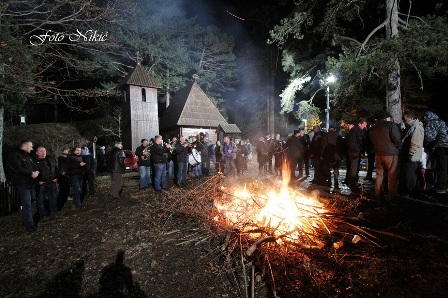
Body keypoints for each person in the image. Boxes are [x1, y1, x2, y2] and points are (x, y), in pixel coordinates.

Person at [8, 140, 39, 233]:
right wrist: (31, 173)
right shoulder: (14, 155)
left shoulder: (28, 156)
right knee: (27, 204)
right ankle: (29, 225)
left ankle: (26, 221)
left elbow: (34, 166)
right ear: (25, 146)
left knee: (29, 202)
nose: (32, 148)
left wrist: (36, 172)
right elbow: (18, 168)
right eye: (31, 146)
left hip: (30, 182)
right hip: (22, 183)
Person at [369, 111, 402, 200]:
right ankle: (392, 195)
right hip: (391, 153)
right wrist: (400, 147)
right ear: (387, 118)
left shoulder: (372, 128)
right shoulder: (390, 125)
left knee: (379, 174)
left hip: (378, 153)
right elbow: (397, 138)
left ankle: (378, 194)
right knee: (392, 174)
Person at [399, 111, 424, 198]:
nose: (404, 121)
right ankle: (407, 191)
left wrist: (411, 153)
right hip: (408, 154)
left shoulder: (416, 127)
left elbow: (415, 141)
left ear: (411, 118)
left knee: (410, 175)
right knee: (407, 174)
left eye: (405, 119)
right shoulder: (411, 126)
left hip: (412, 156)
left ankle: (411, 192)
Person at [423, 111, 448, 193]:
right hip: (445, 145)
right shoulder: (441, 121)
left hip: (438, 146)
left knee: (438, 165)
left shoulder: (431, 123)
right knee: (444, 165)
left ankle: (440, 186)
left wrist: (426, 144)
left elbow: (428, 137)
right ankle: (443, 185)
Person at [34, 146, 59, 219]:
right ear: (37, 152)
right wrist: (38, 181)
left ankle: (53, 212)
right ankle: (42, 214)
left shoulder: (50, 159)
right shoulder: (34, 161)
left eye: (44, 151)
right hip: (41, 184)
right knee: (40, 199)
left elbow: (56, 169)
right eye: (41, 151)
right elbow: (32, 173)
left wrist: (57, 177)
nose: (43, 153)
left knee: (53, 198)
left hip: (52, 182)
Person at [345, 118, 368, 192]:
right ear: (360, 123)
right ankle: (352, 183)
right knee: (354, 168)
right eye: (364, 124)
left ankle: (353, 181)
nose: (365, 126)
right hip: (354, 153)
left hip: (355, 152)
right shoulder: (355, 130)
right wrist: (358, 151)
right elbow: (352, 143)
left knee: (354, 168)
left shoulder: (357, 130)